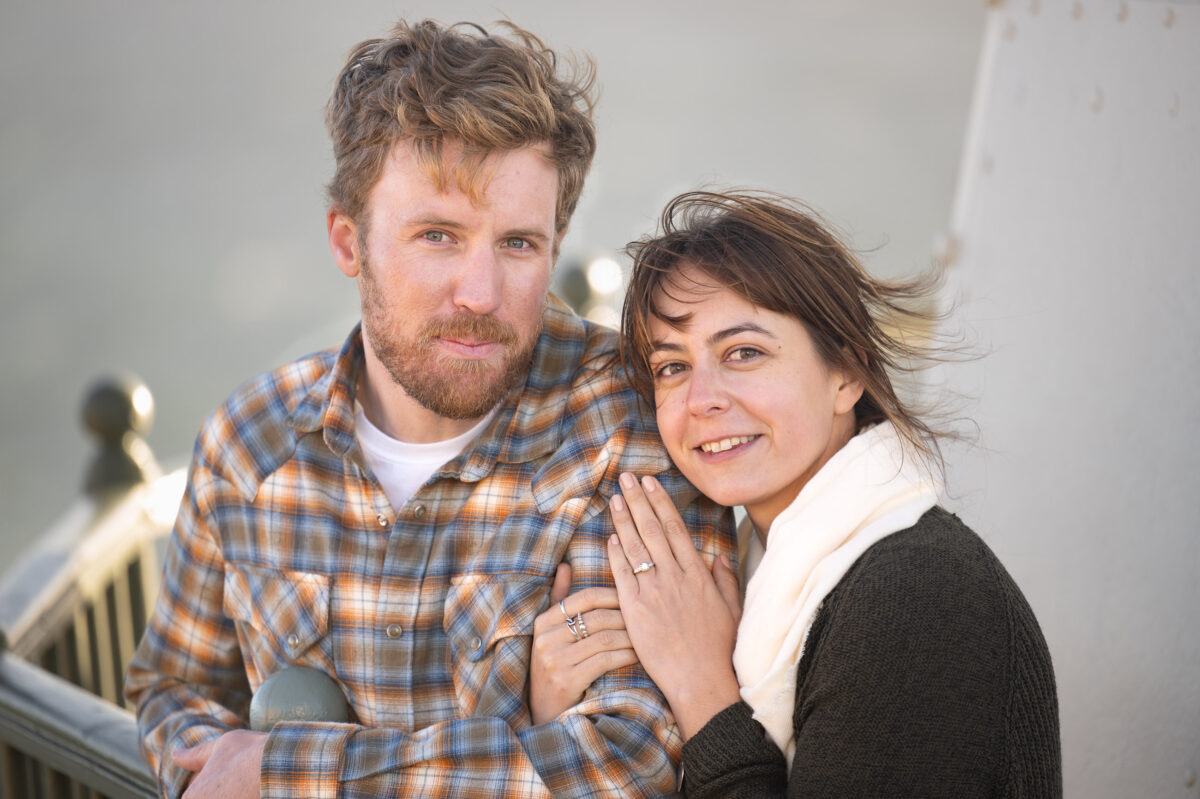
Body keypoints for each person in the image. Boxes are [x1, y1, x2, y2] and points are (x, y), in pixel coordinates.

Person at [124, 20, 733, 799]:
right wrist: (209, 765)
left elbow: (630, 755)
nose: (481, 293)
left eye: (518, 245)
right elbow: (173, 684)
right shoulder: (251, 443)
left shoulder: (628, 425)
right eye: (438, 235)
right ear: (349, 242)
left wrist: (286, 774)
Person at [532, 190, 1062, 797]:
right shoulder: (748, 579)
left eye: (745, 353)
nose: (702, 397)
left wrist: (703, 689)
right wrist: (561, 715)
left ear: (847, 374)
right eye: (672, 366)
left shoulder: (918, 591)